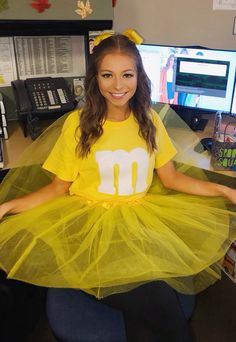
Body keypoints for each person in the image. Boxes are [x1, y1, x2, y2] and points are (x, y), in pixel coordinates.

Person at [0, 31, 236, 341]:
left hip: (141, 224)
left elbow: (171, 179)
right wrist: (6, 207)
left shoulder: (149, 120)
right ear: (95, 78)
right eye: (107, 75)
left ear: (139, 76)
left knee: (147, 315)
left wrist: (225, 190)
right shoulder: (78, 125)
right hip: (89, 229)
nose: (118, 85)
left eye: (127, 74)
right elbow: (58, 188)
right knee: (160, 305)